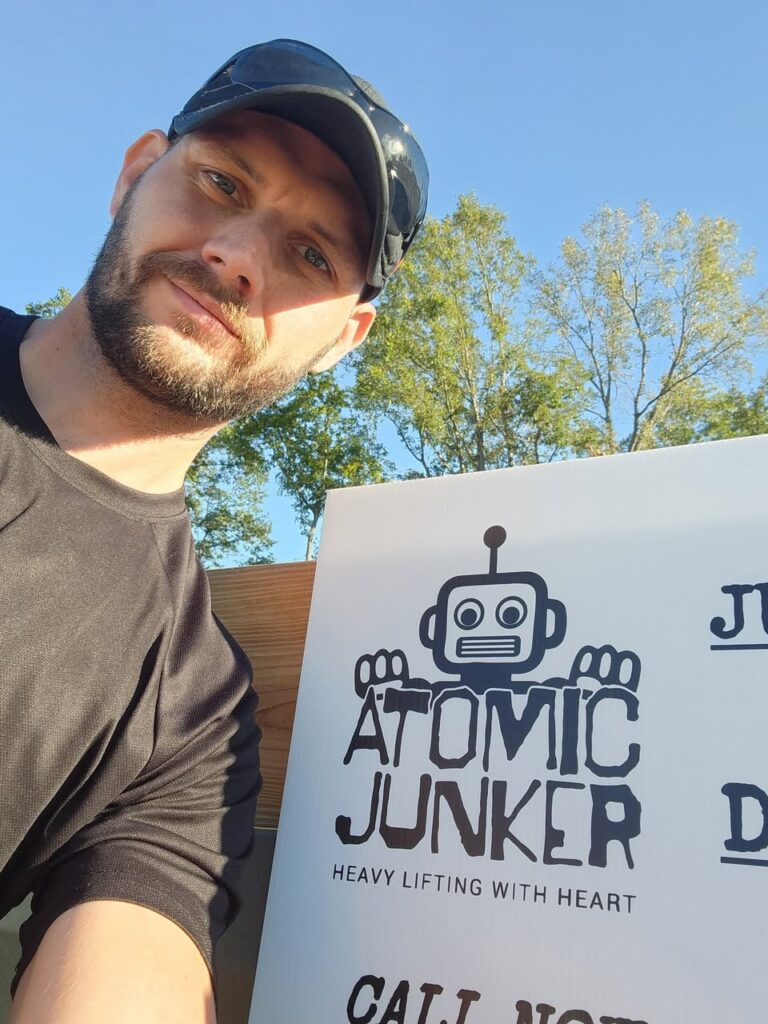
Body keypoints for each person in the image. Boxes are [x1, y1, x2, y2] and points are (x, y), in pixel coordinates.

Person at [0, 38, 428, 1023]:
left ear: (343, 342)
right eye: (221, 182)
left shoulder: (191, 716)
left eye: (312, 256)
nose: (236, 258)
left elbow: (126, 968)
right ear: (132, 172)